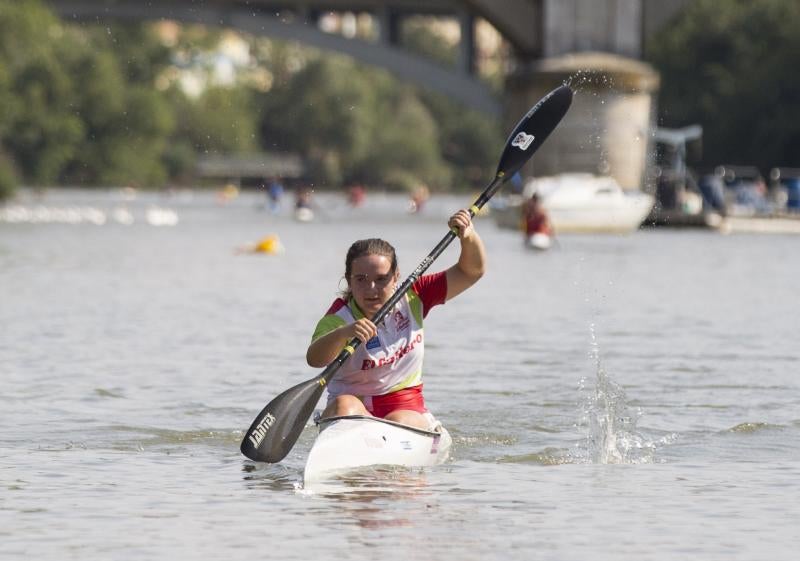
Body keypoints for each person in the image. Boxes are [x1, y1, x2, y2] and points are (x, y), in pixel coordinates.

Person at [306, 209, 485, 430]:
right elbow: (314, 359)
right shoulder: (339, 317)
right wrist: (344, 333)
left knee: (400, 422)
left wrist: (468, 237)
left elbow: (471, 272)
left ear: (396, 277)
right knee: (345, 406)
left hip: (404, 406)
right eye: (361, 279)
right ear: (349, 282)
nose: (371, 289)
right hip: (352, 405)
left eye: (381, 279)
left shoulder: (415, 295)